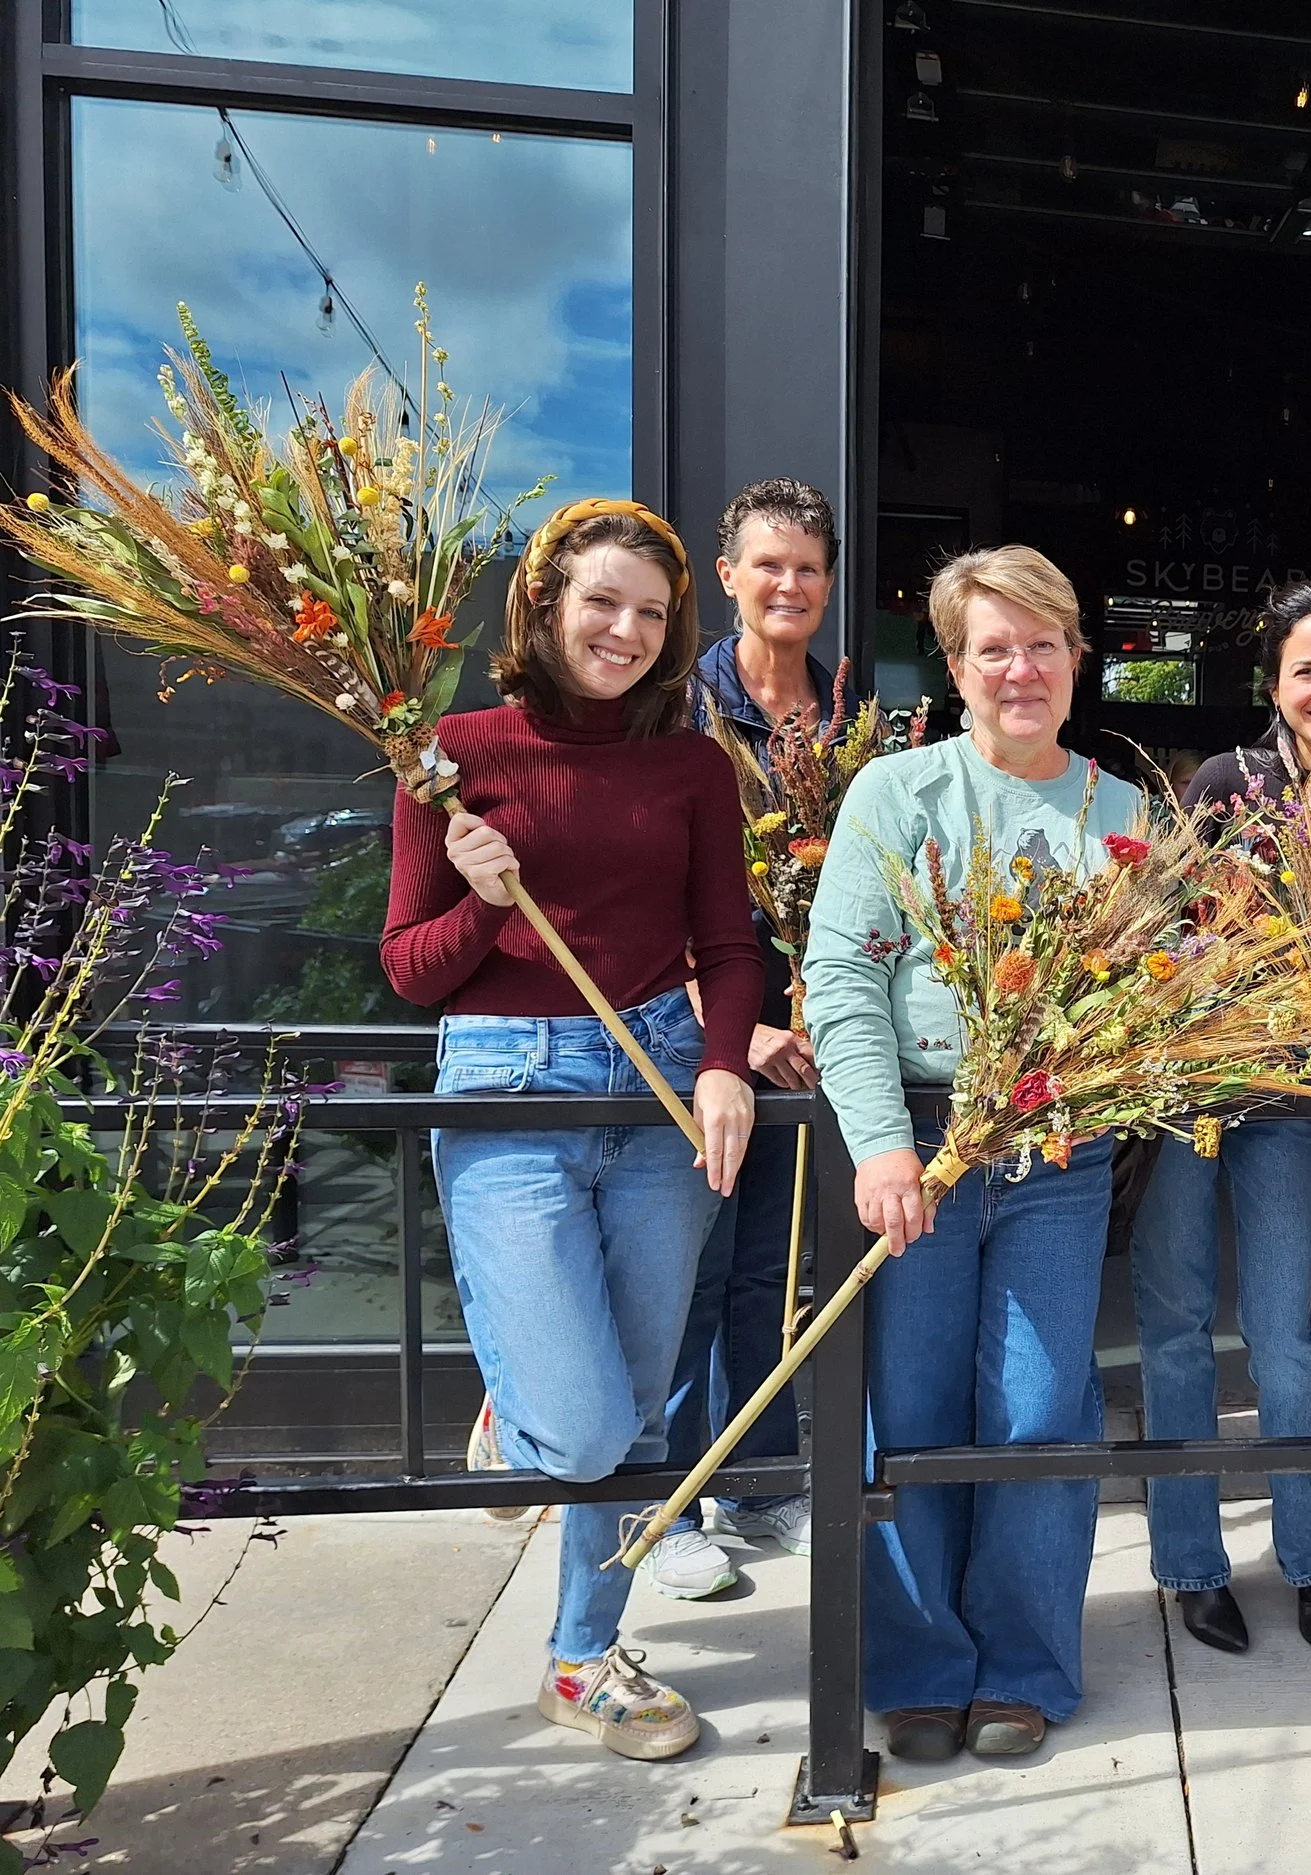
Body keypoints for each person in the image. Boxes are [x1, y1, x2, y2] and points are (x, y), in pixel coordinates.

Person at [382, 499, 761, 1762]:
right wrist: (489, 904)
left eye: (653, 614)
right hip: (506, 1084)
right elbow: (410, 971)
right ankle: (527, 1415)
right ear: (542, 604)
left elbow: (727, 943)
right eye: (602, 601)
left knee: (641, 1416)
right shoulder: (447, 756)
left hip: (656, 1082)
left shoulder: (694, 765)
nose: (627, 631)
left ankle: (581, 1658)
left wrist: (721, 1067)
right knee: (591, 1429)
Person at [803, 545, 1142, 1765]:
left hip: (1056, 1151)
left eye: (1042, 641)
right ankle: (921, 1667)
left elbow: (1141, 994)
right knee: (915, 1404)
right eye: (992, 647)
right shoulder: (896, 795)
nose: (1020, 668)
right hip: (923, 1141)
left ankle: (1024, 1665)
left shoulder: (1120, 813)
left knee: (1042, 1409)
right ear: (953, 668)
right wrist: (883, 1144)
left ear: (1076, 655)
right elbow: (839, 973)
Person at [1129, 578, 1311, 1657]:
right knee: (1174, 1325)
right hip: (1195, 1099)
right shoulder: (1227, 784)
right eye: (1307, 669)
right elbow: (1168, 928)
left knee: (1291, 1341)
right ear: (1274, 684)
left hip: (1306, 1109)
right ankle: (1192, 1563)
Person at [643, 479, 842, 1602]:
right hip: (699, 1036)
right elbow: (639, 894)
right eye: (767, 565)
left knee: (769, 1271)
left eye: (807, 568)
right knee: (690, 1269)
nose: (788, 585)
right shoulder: (676, 709)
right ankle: (669, 1499)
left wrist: (822, 1010)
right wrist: (744, 1025)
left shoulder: (848, 712)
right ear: (725, 577)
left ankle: (760, 1483)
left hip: (807, 1041)